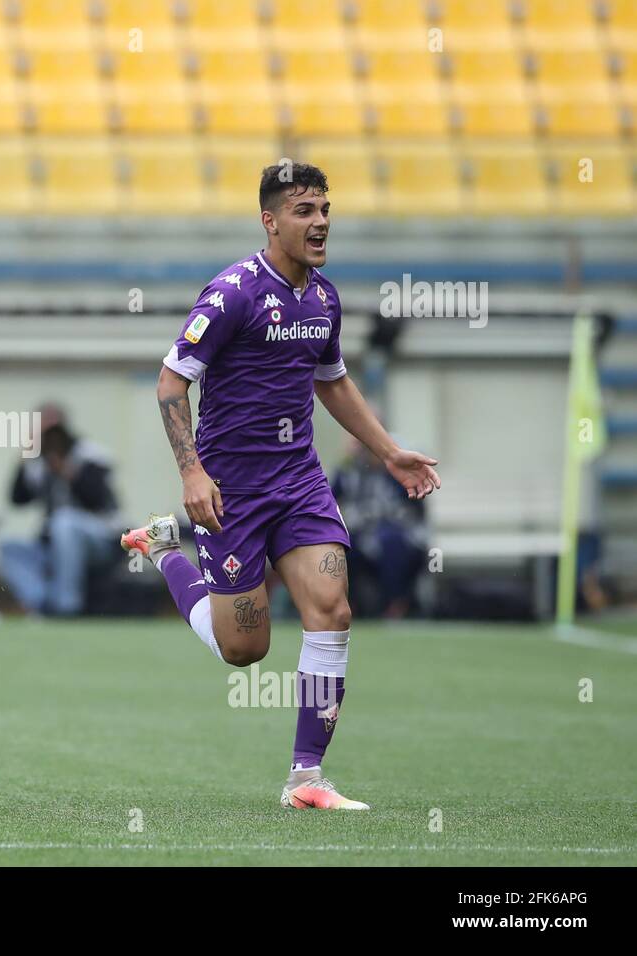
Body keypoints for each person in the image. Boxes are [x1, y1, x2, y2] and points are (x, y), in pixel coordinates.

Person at [121, 162, 440, 811]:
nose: (320, 221)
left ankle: (306, 778)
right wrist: (192, 472)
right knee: (246, 649)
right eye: (304, 211)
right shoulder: (233, 293)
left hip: (298, 481)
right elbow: (171, 382)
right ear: (270, 220)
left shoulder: (323, 298)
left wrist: (388, 453)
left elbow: (332, 381)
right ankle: (163, 551)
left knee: (333, 608)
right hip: (231, 489)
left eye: (324, 209)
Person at [0, 405, 119, 616]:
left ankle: (66, 608)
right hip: (53, 543)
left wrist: (66, 471)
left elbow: (97, 499)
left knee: (64, 521)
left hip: (99, 539)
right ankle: (41, 603)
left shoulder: (89, 454)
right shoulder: (38, 463)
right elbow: (17, 499)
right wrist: (25, 455)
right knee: (7, 547)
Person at [331, 436, 427, 618]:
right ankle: (345, 605)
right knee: (339, 543)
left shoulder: (399, 464)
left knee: (391, 542)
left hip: (398, 531)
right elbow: (329, 500)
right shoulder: (348, 470)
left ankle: (395, 605)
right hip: (359, 531)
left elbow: (415, 508)